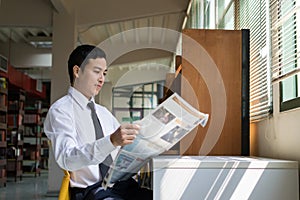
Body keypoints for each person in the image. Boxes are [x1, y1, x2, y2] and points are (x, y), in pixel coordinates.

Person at [44, 44, 152, 200]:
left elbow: (122, 149)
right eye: (96, 72)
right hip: (91, 190)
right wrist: (111, 141)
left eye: (104, 73)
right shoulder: (61, 111)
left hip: (119, 184)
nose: (102, 79)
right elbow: (67, 159)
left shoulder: (104, 113)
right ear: (77, 71)